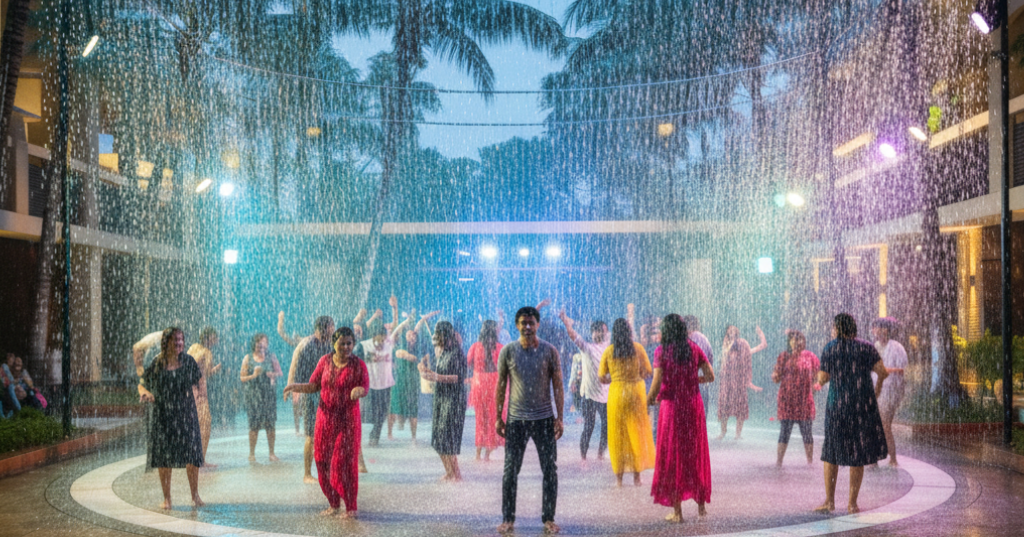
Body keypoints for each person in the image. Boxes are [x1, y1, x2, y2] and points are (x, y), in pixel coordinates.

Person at [283, 327, 368, 518]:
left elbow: (365, 386)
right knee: (321, 462)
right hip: (325, 419)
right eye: (342, 343)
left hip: (347, 421)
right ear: (334, 343)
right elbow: (314, 385)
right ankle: (334, 504)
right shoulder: (325, 361)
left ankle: (351, 507)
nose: (346, 347)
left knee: (342, 464)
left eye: (349, 343)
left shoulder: (358, 364)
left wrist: (359, 391)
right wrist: (293, 386)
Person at [496, 306, 564, 535]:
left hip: (544, 418)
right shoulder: (507, 351)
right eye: (523, 323)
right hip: (516, 420)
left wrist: (560, 417)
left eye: (531, 323)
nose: (527, 327)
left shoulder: (549, 351)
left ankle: (548, 518)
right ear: (517, 325)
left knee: (550, 470)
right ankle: (508, 519)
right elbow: (501, 385)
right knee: (510, 470)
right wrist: (498, 416)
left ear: (538, 325)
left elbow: (558, 386)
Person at [814, 313, 889, 514]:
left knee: (831, 453)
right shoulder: (866, 347)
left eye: (833, 327)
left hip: (838, 407)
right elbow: (883, 372)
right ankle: (852, 504)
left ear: (838, 329)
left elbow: (822, 379)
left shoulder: (831, 347)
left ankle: (829, 502)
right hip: (861, 407)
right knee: (857, 453)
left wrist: (819, 378)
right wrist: (878, 388)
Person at [647, 314, 714, 523]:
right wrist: (692, 380)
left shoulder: (662, 352)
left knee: (673, 456)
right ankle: (701, 508)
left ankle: (677, 513)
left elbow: (657, 382)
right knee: (694, 453)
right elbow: (711, 376)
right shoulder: (694, 348)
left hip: (673, 409)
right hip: (693, 407)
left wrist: (648, 399)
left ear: (667, 331)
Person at [137, 328, 204, 510]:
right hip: (163, 415)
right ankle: (167, 498)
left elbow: (199, 381)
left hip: (186, 414)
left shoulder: (188, 361)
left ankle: (195, 495)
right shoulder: (158, 363)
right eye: (175, 340)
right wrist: (145, 394)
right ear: (166, 343)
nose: (179, 343)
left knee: (192, 454)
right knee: (164, 457)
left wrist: (199, 397)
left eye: (181, 340)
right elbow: (142, 384)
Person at [599, 318, 656, 487]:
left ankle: (619, 480)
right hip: (636, 394)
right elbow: (648, 371)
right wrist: (637, 375)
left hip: (617, 395)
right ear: (630, 332)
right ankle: (637, 478)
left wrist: (615, 378)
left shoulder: (609, 351)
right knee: (636, 434)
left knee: (618, 436)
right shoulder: (638, 348)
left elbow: (601, 377)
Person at [286, 315, 336, 483]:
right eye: (332, 326)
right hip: (311, 395)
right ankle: (307, 474)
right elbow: (296, 366)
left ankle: (328, 470)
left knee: (330, 434)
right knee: (311, 435)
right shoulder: (307, 345)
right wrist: (293, 388)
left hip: (329, 394)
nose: (334, 329)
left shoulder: (331, 344)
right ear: (325, 327)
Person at [558, 309, 610, 462]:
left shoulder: (608, 346)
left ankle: (600, 455)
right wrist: (566, 322)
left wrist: (571, 321)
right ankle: (583, 458)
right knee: (589, 426)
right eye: (594, 332)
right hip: (588, 395)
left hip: (605, 395)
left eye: (600, 331)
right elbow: (573, 335)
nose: (597, 334)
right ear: (592, 333)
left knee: (606, 427)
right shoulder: (586, 347)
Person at [419, 321, 468, 481]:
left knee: (447, 439)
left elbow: (458, 378)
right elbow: (439, 374)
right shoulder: (444, 352)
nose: (435, 337)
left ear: (445, 335)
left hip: (454, 400)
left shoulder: (457, 353)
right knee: (438, 438)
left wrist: (436, 377)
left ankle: (457, 476)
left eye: (438, 334)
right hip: (441, 398)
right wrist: (426, 371)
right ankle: (449, 472)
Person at [357, 308, 411, 447]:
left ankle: (374, 437)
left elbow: (397, 328)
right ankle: (367, 437)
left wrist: (395, 309)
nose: (381, 341)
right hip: (370, 386)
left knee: (382, 414)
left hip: (386, 385)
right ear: (373, 336)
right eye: (378, 338)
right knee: (371, 414)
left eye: (383, 338)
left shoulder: (388, 344)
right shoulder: (364, 346)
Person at [772, 330, 820, 466]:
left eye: (800, 340)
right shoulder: (784, 356)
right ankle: (778, 462)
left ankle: (810, 463)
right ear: (789, 342)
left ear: (804, 341)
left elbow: (818, 375)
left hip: (804, 402)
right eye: (793, 340)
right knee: (784, 432)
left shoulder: (811, 356)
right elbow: (776, 375)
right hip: (787, 402)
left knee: (807, 433)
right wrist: (775, 376)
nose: (797, 342)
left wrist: (816, 387)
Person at [390, 310, 439, 444]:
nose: (412, 336)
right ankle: (393, 430)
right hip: (400, 381)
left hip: (413, 381)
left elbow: (418, 325)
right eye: (409, 334)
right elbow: (394, 334)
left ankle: (413, 437)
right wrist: (405, 322)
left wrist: (426, 317)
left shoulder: (418, 348)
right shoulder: (400, 346)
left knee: (413, 409)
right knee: (396, 407)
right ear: (405, 337)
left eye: (414, 335)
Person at [716, 325, 767, 439]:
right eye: (730, 330)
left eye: (735, 330)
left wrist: (760, 334)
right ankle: (723, 432)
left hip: (739, 383)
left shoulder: (743, 345)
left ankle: (738, 434)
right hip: (727, 383)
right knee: (724, 407)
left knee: (740, 409)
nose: (733, 332)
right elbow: (724, 359)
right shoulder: (726, 347)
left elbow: (762, 345)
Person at [240, 333, 283, 462]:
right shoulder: (248, 358)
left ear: (267, 344)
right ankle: (252, 454)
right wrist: (253, 375)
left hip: (268, 396)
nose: (261, 345)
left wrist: (272, 374)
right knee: (254, 426)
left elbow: (280, 373)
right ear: (255, 344)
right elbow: (242, 378)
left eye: (263, 342)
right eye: (259, 342)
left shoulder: (271, 357)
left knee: (270, 425)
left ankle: (271, 453)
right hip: (253, 397)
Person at [871, 317, 907, 468]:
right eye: (874, 329)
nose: (874, 331)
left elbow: (902, 370)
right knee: (875, 425)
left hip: (891, 392)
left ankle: (892, 459)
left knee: (885, 424)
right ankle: (875, 459)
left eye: (877, 328)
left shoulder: (896, 347)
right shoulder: (875, 346)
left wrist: (887, 370)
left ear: (885, 330)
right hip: (876, 390)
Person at [468, 320, 504, 461]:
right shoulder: (500, 348)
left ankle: (477, 455)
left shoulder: (475, 347)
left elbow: (468, 364)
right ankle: (487, 456)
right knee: (492, 419)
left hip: (478, 385)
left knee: (480, 420)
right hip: (494, 386)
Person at [186, 327, 221, 466]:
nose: (216, 340)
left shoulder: (193, 347)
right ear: (208, 338)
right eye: (214, 338)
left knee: (192, 423)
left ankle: (191, 456)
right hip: (200, 389)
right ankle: (201, 460)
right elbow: (207, 372)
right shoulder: (207, 352)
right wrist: (216, 369)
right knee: (205, 423)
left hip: (188, 388)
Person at [682, 315, 714, 410]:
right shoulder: (705, 339)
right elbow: (710, 360)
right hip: (703, 385)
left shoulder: (685, 341)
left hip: (687, 386)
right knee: (702, 418)